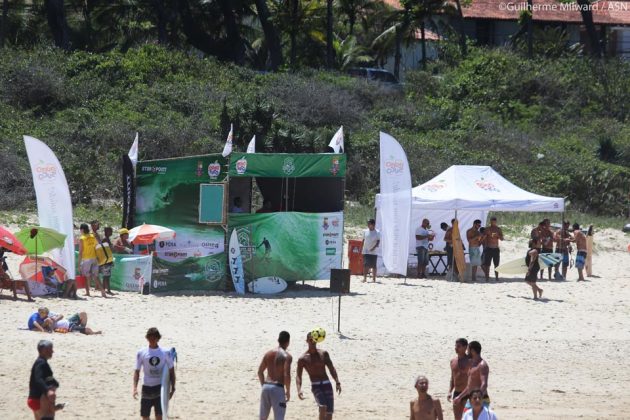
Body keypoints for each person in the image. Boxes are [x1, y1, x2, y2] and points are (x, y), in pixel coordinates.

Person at [133, 328, 176, 420]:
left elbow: (171, 371)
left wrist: (173, 388)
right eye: (150, 338)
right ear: (147, 338)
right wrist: (135, 388)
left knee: (159, 416)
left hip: (160, 388)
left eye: (154, 338)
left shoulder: (165, 353)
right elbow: (137, 371)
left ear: (158, 339)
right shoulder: (141, 353)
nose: (152, 340)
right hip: (146, 388)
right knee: (145, 416)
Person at [296, 332, 341, 420]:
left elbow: (331, 368)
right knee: (323, 407)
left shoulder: (323, 353)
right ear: (307, 341)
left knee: (329, 413)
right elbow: (298, 375)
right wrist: (299, 389)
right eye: (310, 340)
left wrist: (337, 381)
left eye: (314, 340)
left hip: (327, 384)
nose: (312, 341)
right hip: (316, 385)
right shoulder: (303, 358)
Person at [258, 331, 292, 420]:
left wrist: (263, 385)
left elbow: (260, 372)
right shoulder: (287, 356)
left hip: (266, 386)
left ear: (278, 340)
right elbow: (286, 375)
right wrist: (288, 391)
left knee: (262, 418)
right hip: (278, 388)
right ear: (288, 342)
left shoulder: (268, 354)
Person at [28, 340, 64, 420]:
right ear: (44, 350)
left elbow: (45, 378)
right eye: (50, 349)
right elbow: (38, 379)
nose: (52, 351)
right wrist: (48, 390)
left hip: (34, 398)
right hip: (40, 400)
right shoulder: (41, 363)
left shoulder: (40, 362)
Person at [453, 341, 490, 411]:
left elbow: (484, 384)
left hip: (481, 400)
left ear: (472, 351)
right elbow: (470, 385)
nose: (467, 352)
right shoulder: (472, 364)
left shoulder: (482, 365)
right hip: (471, 400)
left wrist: (477, 398)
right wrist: (459, 397)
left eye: (468, 350)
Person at [78, 223, 106, 298]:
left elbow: (80, 252)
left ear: (82, 230)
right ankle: (103, 291)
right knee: (96, 276)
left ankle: (87, 292)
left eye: (80, 230)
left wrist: (78, 264)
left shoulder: (82, 238)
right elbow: (97, 246)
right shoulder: (93, 236)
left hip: (86, 259)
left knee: (86, 276)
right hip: (94, 258)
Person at [448, 338, 472, 420]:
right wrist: (449, 391)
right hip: (456, 393)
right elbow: (452, 378)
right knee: (457, 418)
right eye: (455, 346)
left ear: (465, 347)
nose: (456, 348)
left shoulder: (470, 361)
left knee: (468, 417)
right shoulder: (453, 361)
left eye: (458, 346)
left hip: (467, 394)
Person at [482, 217, 503, 281]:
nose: (493, 222)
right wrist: (486, 234)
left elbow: (502, 239)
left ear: (496, 222)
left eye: (494, 221)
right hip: (488, 248)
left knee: (496, 264)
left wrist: (498, 236)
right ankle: (487, 278)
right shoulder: (487, 229)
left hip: (496, 248)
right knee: (487, 264)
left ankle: (496, 277)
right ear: (490, 221)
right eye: (492, 221)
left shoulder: (498, 229)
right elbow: (483, 238)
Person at [361, 219, 380, 283]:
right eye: (368, 224)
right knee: (365, 265)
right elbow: (363, 240)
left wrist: (373, 248)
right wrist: (362, 248)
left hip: (373, 252)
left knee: (374, 266)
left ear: (373, 224)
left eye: (369, 224)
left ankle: (374, 279)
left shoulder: (377, 232)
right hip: (366, 250)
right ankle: (364, 278)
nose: (368, 225)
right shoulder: (365, 231)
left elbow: (378, 241)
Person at [100, 227, 115, 295]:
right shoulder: (105, 239)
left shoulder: (107, 239)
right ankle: (107, 290)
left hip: (107, 259)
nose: (111, 232)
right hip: (106, 260)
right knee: (106, 276)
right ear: (107, 232)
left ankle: (105, 289)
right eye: (110, 231)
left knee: (106, 275)